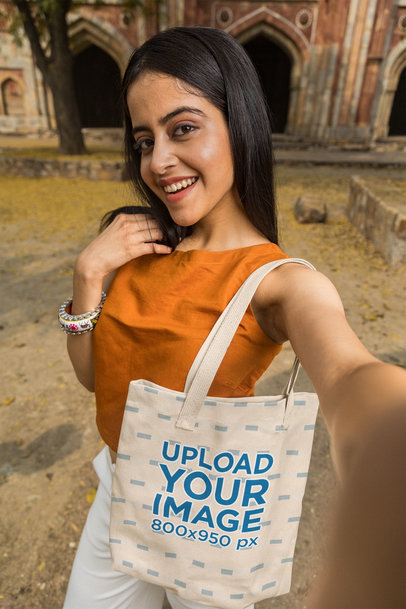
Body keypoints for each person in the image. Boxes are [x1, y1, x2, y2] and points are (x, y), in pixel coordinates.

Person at [61, 26, 406, 609]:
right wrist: (87, 276)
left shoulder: (280, 282)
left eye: (184, 128)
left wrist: (386, 432)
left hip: (207, 521)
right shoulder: (139, 247)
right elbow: (96, 377)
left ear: (238, 122)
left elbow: (348, 373)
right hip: (119, 495)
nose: (159, 161)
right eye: (144, 140)